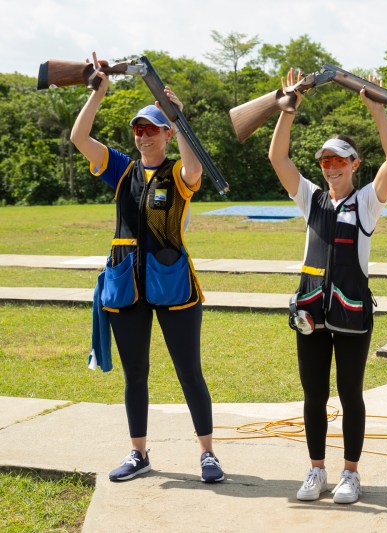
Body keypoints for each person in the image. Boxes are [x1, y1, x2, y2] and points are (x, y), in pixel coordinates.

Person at [70, 53, 224, 483]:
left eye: (152, 129)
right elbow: (79, 136)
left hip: (172, 284)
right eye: (138, 129)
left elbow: (195, 168)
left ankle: (208, 455)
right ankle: (139, 454)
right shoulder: (121, 169)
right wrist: (98, 91)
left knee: (188, 372)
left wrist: (181, 116)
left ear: (167, 134)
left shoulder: (177, 172)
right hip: (124, 286)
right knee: (135, 374)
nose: (143, 136)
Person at [268, 68, 387, 504]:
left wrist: (378, 112)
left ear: (354, 165)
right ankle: (316, 471)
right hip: (310, 311)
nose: (332, 168)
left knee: (350, 395)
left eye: (340, 160)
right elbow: (278, 158)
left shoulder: (366, 201)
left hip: (351, 312)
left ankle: (350, 473)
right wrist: (288, 107)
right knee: (313, 395)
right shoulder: (311, 197)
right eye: (326, 161)